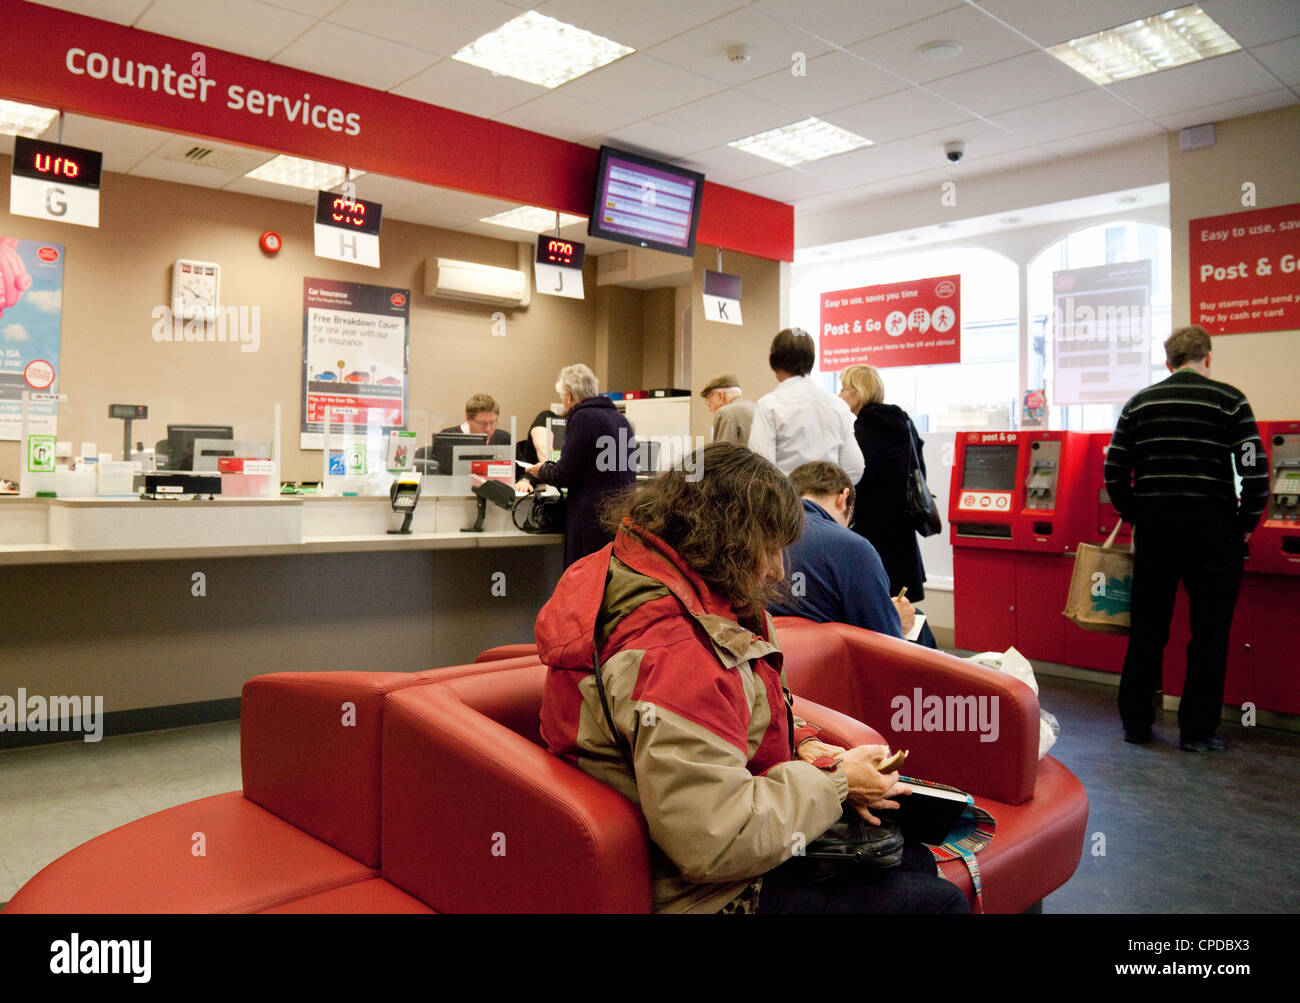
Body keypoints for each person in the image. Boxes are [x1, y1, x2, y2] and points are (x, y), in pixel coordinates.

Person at [536, 442, 968, 914]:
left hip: (689, 850)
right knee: (937, 902)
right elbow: (715, 841)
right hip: (706, 893)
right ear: (727, 540)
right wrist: (837, 782)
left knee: (915, 864)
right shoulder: (677, 652)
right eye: (771, 548)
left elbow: (726, 715)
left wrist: (799, 741)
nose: (779, 569)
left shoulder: (652, 580)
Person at [1104, 326, 1268, 752]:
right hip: (1214, 531)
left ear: (1168, 362)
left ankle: (1136, 725)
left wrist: (1136, 513)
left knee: (1147, 630)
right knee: (1210, 634)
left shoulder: (1139, 403)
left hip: (1156, 531)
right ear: (1207, 357)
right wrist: (1246, 522)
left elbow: (1115, 471)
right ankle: (1197, 732)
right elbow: (1254, 466)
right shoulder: (1230, 401)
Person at [769, 461, 932, 645]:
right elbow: (884, 638)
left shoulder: (760, 536)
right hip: (831, 659)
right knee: (916, 619)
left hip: (765, 656)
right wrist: (896, 621)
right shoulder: (851, 547)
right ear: (843, 497)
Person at [525, 364, 638, 567]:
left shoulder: (582, 417)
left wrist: (541, 470)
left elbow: (565, 473)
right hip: (619, 516)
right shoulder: (621, 419)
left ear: (568, 396)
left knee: (586, 579)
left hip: (591, 520)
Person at [838, 364, 928, 601]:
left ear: (858, 392)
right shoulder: (904, 423)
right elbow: (920, 472)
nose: (840, 394)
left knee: (874, 609)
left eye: (845, 388)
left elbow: (852, 481)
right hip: (902, 531)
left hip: (870, 531)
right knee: (903, 609)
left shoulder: (859, 431)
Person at [749, 328, 864, 482]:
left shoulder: (769, 406)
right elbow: (854, 467)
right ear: (811, 360)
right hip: (828, 502)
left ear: (774, 361)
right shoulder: (838, 405)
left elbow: (761, 468)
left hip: (788, 500)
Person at [699, 374, 755, 445]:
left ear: (720, 396)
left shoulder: (725, 413)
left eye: (709, 401)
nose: (710, 408)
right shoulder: (755, 407)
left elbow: (723, 453)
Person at [439, 392, 511, 445]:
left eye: (492, 423)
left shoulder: (504, 438)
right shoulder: (448, 438)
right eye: (482, 423)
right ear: (468, 419)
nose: (488, 429)